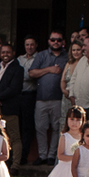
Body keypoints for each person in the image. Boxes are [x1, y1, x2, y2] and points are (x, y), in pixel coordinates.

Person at [29, 31, 70, 165]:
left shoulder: (67, 57)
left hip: (59, 99)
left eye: (58, 40)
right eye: (53, 40)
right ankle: (42, 155)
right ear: (49, 41)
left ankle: (52, 155)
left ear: (63, 42)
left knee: (57, 128)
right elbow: (31, 73)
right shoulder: (41, 55)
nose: (56, 42)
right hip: (41, 98)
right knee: (40, 128)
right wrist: (49, 69)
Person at [0, 44, 24, 165]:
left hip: (9, 107)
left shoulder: (18, 69)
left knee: (14, 137)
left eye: (8, 52)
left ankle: (15, 165)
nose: (5, 54)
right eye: (3, 52)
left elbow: (13, 89)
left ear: (13, 53)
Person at [17, 36, 38, 164]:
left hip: (30, 95)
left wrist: (29, 74)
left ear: (36, 45)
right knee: (17, 126)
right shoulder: (19, 59)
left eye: (32, 44)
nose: (29, 47)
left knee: (27, 127)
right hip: (18, 95)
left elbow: (32, 76)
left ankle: (24, 156)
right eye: (27, 45)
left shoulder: (39, 58)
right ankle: (16, 155)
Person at [60, 39, 84, 117]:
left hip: (79, 98)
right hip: (66, 98)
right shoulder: (69, 63)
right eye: (73, 50)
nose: (76, 52)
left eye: (78, 50)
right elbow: (63, 80)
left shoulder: (85, 63)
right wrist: (64, 90)